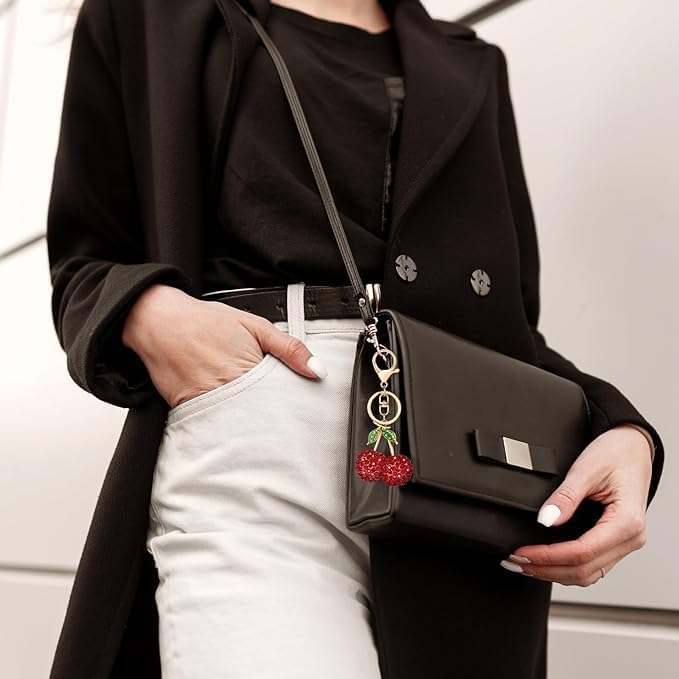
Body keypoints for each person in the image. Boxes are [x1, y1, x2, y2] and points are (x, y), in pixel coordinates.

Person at [46, 0, 664, 677]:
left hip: (448, 475)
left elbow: (507, 326)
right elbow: (86, 257)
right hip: (257, 433)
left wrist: (619, 428)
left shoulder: (471, 63)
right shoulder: (147, 15)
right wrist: (152, 312)